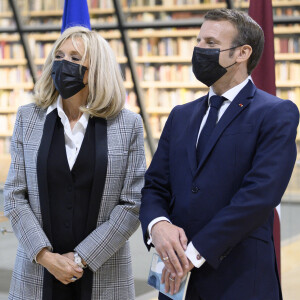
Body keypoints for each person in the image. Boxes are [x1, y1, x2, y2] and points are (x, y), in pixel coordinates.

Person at [139, 9, 299, 300]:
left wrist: (193, 254)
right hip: (175, 283)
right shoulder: (180, 115)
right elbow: (155, 185)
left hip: (238, 281)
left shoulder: (275, 113)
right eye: (198, 40)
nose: (200, 49)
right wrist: (157, 226)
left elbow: (259, 196)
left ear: (242, 53)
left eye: (211, 43)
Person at [4, 26, 146, 300]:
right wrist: (46, 257)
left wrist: (79, 259)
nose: (62, 64)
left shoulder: (128, 124)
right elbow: (14, 195)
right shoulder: (28, 118)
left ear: (97, 68)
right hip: (36, 274)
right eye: (58, 55)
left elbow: (132, 204)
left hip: (104, 276)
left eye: (74, 57)